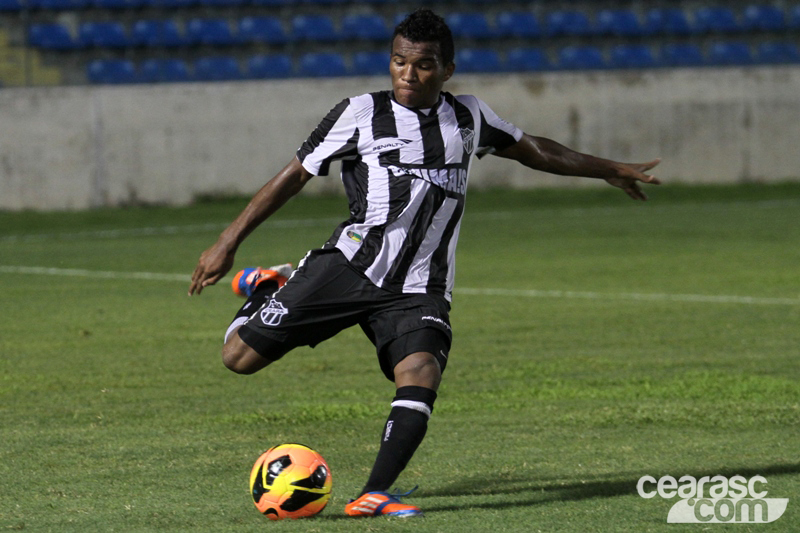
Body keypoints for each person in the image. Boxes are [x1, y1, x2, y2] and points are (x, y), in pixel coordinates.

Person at [189, 8, 660, 518]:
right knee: (238, 358)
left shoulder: (470, 116)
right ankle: (267, 287)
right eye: (399, 62)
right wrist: (227, 240)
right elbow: (295, 174)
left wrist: (609, 168)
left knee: (421, 370)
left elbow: (535, 151)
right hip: (350, 266)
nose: (409, 75)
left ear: (447, 69)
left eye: (423, 65)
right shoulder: (359, 113)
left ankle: (375, 492)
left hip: (420, 286)